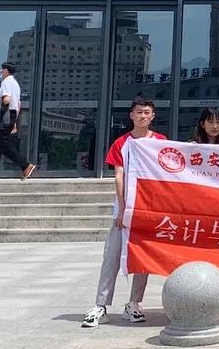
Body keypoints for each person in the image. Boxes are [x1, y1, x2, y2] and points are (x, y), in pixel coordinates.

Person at [82, 97, 166, 328]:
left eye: (146, 112)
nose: (142, 116)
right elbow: (119, 176)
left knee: (142, 257)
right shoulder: (121, 143)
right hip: (125, 207)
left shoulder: (160, 142)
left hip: (149, 208)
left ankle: (134, 304)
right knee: (112, 256)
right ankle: (101, 305)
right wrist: (123, 208)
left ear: (152, 116)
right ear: (131, 115)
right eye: (138, 112)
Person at [0, 61, 35, 181]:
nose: (1, 72)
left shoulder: (6, 82)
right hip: (12, 114)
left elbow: (6, 100)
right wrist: (14, 121)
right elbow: (18, 104)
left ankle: (25, 165)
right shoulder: (15, 84)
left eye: (2, 70)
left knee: (3, 144)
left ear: (6, 70)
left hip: (5, 114)